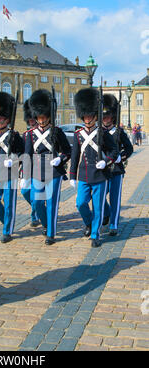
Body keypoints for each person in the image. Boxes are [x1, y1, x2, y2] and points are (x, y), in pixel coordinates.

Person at [70, 88, 118, 248]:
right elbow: (75, 156)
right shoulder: (78, 134)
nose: (88, 118)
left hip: (100, 175)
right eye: (85, 115)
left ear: (95, 116)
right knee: (81, 203)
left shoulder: (103, 133)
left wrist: (107, 161)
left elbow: (114, 151)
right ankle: (89, 223)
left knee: (97, 207)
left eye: (90, 115)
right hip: (84, 175)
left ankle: (95, 234)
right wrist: (71, 176)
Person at [23, 89, 71, 245]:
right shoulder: (30, 134)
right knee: (37, 202)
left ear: (49, 116)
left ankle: (51, 233)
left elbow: (67, 151)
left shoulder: (57, 132)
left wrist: (60, 159)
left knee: (51, 202)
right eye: (39, 117)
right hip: (37, 171)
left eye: (44, 117)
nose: (42, 121)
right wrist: (25, 175)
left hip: (54, 171)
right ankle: (45, 223)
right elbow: (28, 155)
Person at [0, 91, 24, 243]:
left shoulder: (14, 135)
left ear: (7, 119)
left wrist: (14, 159)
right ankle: (7, 222)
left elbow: (23, 154)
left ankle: (7, 230)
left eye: (2, 118)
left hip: (10, 173)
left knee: (9, 204)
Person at [102, 94, 133, 236]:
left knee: (114, 198)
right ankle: (106, 213)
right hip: (102, 169)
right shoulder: (98, 132)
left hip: (115, 169)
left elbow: (129, 148)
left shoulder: (118, 132)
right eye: (103, 116)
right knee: (98, 197)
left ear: (113, 117)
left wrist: (122, 156)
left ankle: (113, 224)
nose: (105, 119)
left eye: (107, 116)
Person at [20, 99, 41, 228]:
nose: (32, 122)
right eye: (30, 120)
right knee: (25, 192)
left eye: (33, 119)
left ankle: (35, 216)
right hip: (28, 168)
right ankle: (38, 207)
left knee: (34, 194)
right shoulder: (26, 135)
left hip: (39, 168)